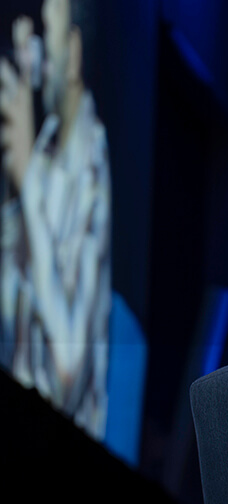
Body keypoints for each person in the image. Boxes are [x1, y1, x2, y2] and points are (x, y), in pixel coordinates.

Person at [0, 0, 111, 440]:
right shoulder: (44, 149)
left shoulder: (92, 166)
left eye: (47, 35)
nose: (38, 56)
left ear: (74, 50)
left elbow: (67, 372)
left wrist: (26, 179)